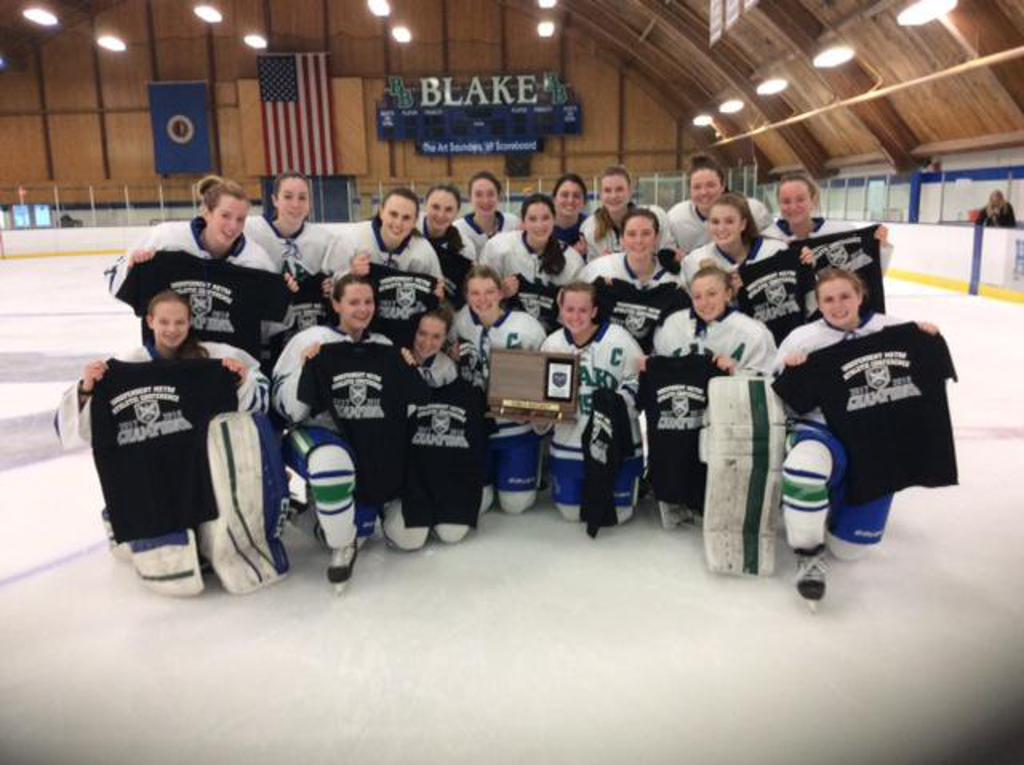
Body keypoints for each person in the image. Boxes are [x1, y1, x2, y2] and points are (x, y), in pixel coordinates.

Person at [772, 268, 940, 607]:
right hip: (820, 430)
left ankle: (834, 502)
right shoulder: (803, 338)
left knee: (848, 552)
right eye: (828, 299)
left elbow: (929, 374)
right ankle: (808, 552)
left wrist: (927, 341)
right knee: (803, 467)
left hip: (876, 438)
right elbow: (777, 394)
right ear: (818, 304)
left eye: (845, 296)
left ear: (861, 295)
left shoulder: (893, 329)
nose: (837, 305)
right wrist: (792, 369)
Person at [271, 274, 396, 591]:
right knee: (330, 464)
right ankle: (342, 546)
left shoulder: (382, 346)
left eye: (368, 302)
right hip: (314, 434)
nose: (363, 308)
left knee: (364, 532)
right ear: (336, 304)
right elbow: (286, 408)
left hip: (365, 438)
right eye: (354, 302)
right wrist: (305, 369)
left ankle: (304, 515)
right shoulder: (310, 340)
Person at [57, 289, 267, 449]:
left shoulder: (215, 356)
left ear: (190, 323)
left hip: (201, 463)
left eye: (180, 322)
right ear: (150, 321)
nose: (172, 330)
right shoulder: (129, 363)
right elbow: (74, 431)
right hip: (146, 464)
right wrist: (86, 389)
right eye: (164, 322)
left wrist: (242, 379)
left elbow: (261, 391)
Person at [539, 282, 644, 524]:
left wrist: (617, 404)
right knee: (571, 513)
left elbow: (639, 378)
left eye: (583, 310)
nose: (576, 316)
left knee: (621, 515)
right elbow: (541, 395)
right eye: (569, 309)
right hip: (569, 441)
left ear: (594, 311)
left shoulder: (619, 338)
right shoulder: (553, 343)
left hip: (613, 443)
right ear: (561, 310)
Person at [451, 265, 547, 515]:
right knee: (479, 504)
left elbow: (549, 375)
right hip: (476, 429)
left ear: (501, 293)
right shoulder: (460, 322)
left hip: (517, 427)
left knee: (514, 505)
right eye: (475, 293)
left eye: (489, 291)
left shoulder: (526, 325)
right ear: (466, 295)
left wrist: (535, 411)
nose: (482, 299)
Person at [107, 175, 276, 295]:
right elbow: (116, 282)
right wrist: (134, 270)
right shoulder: (165, 238)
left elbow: (274, 323)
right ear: (206, 212)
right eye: (225, 216)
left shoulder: (256, 260)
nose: (233, 226)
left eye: (240, 219)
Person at [480, 193, 584, 330]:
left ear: (554, 220)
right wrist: (499, 293)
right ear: (523, 222)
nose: (539, 225)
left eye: (546, 218)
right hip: (505, 330)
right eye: (532, 219)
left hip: (551, 335)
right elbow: (478, 294)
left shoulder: (572, 260)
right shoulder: (499, 247)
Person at [653, 265, 776, 376]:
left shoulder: (754, 332)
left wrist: (735, 373)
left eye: (711, 294)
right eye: (697, 297)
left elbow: (766, 381)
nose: (704, 303)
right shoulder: (673, 324)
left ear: (727, 294)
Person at [761, 171, 893, 270]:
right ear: (778, 204)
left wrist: (881, 247)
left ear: (814, 201)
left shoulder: (841, 232)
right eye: (786, 201)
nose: (793, 207)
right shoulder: (767, 239)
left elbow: (867, 274)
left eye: (800, 199)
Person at [325, 187, 442, 280]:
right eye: (393, 214)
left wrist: (437, 294)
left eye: (406, 218)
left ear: (415, 221)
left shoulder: (423, 252)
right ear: (381, 212)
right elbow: (328, 284)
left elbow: (439, 299)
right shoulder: (352, 239)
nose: (398, 223)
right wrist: (350, 274)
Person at [667, 155, 773, 255]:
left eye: (710, 185)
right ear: (689, 190)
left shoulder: (752, 209)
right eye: (697, 187)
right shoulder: (676, 218)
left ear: (722, 186)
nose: (704, 192)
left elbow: (771, 247)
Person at [681, 193, 788, 291]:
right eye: (715, 222)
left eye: (729, 221)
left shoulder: (775, 251)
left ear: (743, 224)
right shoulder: (695, 260)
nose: (721, 228)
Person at [579, 165, 673, 261]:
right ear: (601, 195)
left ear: (630, 192)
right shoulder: (590, 228)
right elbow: (591, 269)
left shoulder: (654, 217)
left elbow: (670, 256)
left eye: (619, 189)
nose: (613, 196)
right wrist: (602, 264)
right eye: (607, 190)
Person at [419, 184, 478, 307]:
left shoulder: (465, 247)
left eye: (449, 209)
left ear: (457, 212)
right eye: (435, 207)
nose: (441, 215)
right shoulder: (408, 229)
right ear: (425, 205)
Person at [453, 171, 521, 254]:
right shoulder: (458, 229)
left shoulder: (513, 223)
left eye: (491, 194)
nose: (485, 201)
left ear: (499, 196)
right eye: (478, 194)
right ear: (470, 198)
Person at [551, 173, 589, 253]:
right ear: (554, 199)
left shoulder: (591, 228)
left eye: (576, 196)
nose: (570, 200)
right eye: (564, 195)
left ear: (584, 202)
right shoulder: (542, 227)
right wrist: (572, 255)